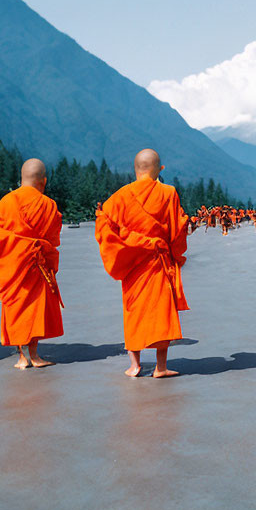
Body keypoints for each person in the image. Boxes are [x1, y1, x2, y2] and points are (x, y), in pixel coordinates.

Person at [95, 149, 189, 378]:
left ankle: (135, 365)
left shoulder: (120, 196)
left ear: (135, 169)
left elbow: (104, 224)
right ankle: (160, 367)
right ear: (159, 169)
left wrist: (127, 248)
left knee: (133, 310)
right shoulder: (168, 192)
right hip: (158, 261)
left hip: (133, 264)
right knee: (161, 311)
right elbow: (178, 229)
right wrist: (176, 255)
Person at [0, 158, 63, 369]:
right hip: (36, 266)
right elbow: (53, 240)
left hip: (13, 265)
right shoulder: (49, 205)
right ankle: (34, 356)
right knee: (33, 309)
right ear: (43, 181)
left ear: (21, 178)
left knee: (16, 307)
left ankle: (21, 357)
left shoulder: (6, 202)